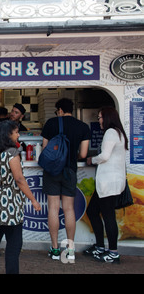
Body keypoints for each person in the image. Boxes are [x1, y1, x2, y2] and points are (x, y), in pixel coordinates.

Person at [0, 121, 41, 274]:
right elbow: (19, 179)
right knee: (14, 241)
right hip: (10, 199)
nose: (18, 135)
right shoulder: (12, 153)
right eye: (16, 132)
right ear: (8, 134)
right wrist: (33, 199)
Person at [40, 98, 90, 262]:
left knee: (53, 208)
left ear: (60, 109)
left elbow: (45, 148)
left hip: (52, 172)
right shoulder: (82, 126)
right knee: (69, 209)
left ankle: (55, 249)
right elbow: (83, 154)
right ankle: (70, 250)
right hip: (70, 171)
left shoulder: (51, 124)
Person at [84, 106, 128, 264]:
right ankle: (101, 246)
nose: (99, 121)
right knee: (93, 211)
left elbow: (105, 156)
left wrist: (92, 160)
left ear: (108, 117)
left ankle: (113, 252)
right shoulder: (119, 133)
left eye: (100, 117)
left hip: (109, 182)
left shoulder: (111, 132)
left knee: (108, 217)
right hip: (111, 182)